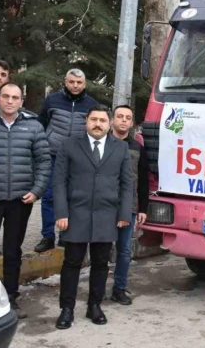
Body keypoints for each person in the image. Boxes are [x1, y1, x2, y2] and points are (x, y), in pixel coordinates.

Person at [54, 104, 133, 329]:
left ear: (109, 124)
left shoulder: (120, 149)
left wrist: (124, 213)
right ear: (86, 122)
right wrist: (61, 212)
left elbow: (127, 185)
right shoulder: (69, 145)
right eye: (94, 120)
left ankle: (94, 306)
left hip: (107, 215)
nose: (98, 124)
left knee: (101, 263)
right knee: (72, 263)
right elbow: (59, 182)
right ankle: (67, 309)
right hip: (75, 215)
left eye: (102, 120)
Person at [0, 83, 50, 318]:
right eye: (5, 96)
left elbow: (44, 163)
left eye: (15, 97)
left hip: (20, 201)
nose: (10, 101)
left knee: (12, 251)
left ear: (21, 101)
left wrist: (37, 190)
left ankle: (10, 297)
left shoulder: (34, 126)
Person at [34, 69, 98, 253]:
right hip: (52, 155)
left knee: (71, 197)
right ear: (65, 82)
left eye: (79, 82)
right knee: (48, 197)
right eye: (71, 82)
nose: (75, 86)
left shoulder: (91, 104)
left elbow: (94, 130)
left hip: (77, 158)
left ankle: (65, 236)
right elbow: (41, 124)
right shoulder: (52, 100)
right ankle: (47, 236)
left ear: (84, 84)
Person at [109, 105, 149, 305]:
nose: (123, 120)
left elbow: (143, 181)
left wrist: (143, 208)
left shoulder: (138, 149)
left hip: (129, 207)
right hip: (103, 206)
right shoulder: (102, 144)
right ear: (112, 120)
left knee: (124, 250)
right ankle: (97, 288)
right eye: (119, 116)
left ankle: (119, 288)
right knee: (101, 249)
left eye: (127, 117)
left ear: (132, 123)